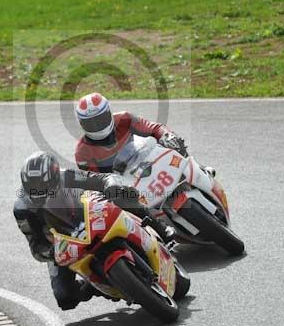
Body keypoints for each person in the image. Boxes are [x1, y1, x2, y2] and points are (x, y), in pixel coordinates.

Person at [13, 151, 160, 311]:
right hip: (63, 244)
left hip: (89, 216)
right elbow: (35, 245)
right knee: (64, 297)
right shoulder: (22, 210)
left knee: (123, 195)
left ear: (55, 177)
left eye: (43, 186)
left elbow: (102, 179)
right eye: (33, 187)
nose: (39, 191)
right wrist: (51, 253)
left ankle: (161, 228)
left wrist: (112, 186)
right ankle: (95, 286)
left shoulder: (67, 176)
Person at [75, 92, 188, 173]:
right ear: (81, 123)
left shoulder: (125, 119)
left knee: (179, 158)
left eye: (100, 119)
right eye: (91, 123)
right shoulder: (82, 152)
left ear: (109, 113)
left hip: (146, 165)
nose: (97, 125)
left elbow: (154, 128)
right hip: (122, 190)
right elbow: (94, 181)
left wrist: (167, 136)